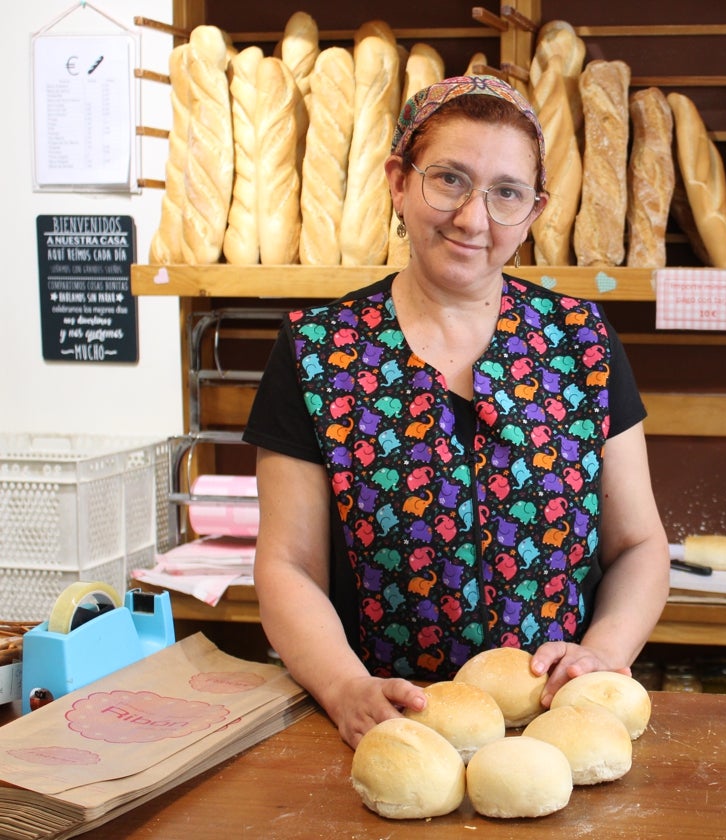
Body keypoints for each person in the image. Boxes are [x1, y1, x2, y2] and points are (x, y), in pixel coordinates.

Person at [244, 75, 670, 749]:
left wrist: (604, 652)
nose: (474, 218)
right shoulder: (318, 352)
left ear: (534, 211)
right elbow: (288, 564)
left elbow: (639, 545)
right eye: (449, 180)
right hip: (383, 730)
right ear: (397, 183)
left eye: (506, 193)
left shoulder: (581, 343)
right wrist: (344, 687)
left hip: (556, 730)